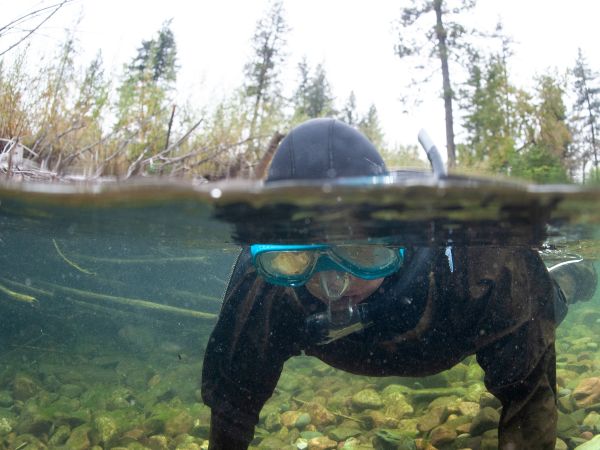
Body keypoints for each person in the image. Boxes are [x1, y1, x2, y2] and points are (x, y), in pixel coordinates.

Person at [201, 118, 597, 450]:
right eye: (298, 258)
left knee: (545, 305)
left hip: (460, 332)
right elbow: (233, 403)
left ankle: (563, 283)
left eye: (361, 253)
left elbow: (529, 401)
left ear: (400, 236)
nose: (333, 284)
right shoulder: (266, 281)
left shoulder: (486, 263)